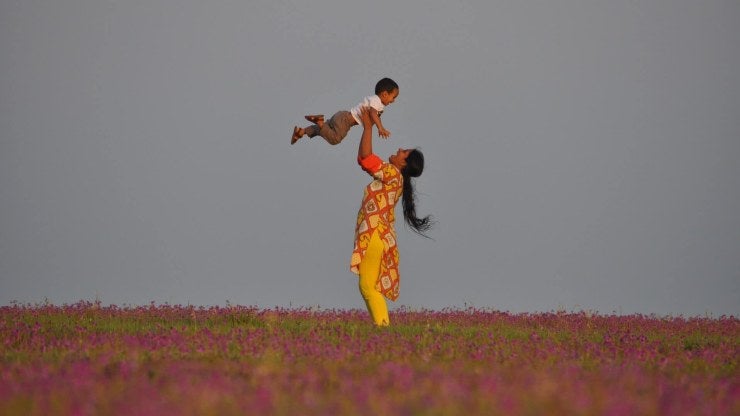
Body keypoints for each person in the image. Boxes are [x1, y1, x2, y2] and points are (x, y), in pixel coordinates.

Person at [349, 108, 432, 326]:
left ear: (403, 163)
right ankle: (381, 328)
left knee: (367, 287)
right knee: (368, 286)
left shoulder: (393, 174)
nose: (398, 149)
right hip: (378, 236)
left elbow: (366, 158)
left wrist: (367, 127)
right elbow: (363, 159)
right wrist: (367, 128)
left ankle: (383, 330)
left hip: (375, 236)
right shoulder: (395, 178)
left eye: (403, 151)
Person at [291, 78, 399, 145]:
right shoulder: (377, 101)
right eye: (393, 97)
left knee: (324, 129)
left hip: (341, 116)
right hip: (345, 121)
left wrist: (378, 125)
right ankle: (319, 121)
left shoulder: (376, 103)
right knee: (335, 139)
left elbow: (376, 116)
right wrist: (381, 128)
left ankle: (301, 132)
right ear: (385, 94)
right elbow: (373, 113)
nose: (393, 101)